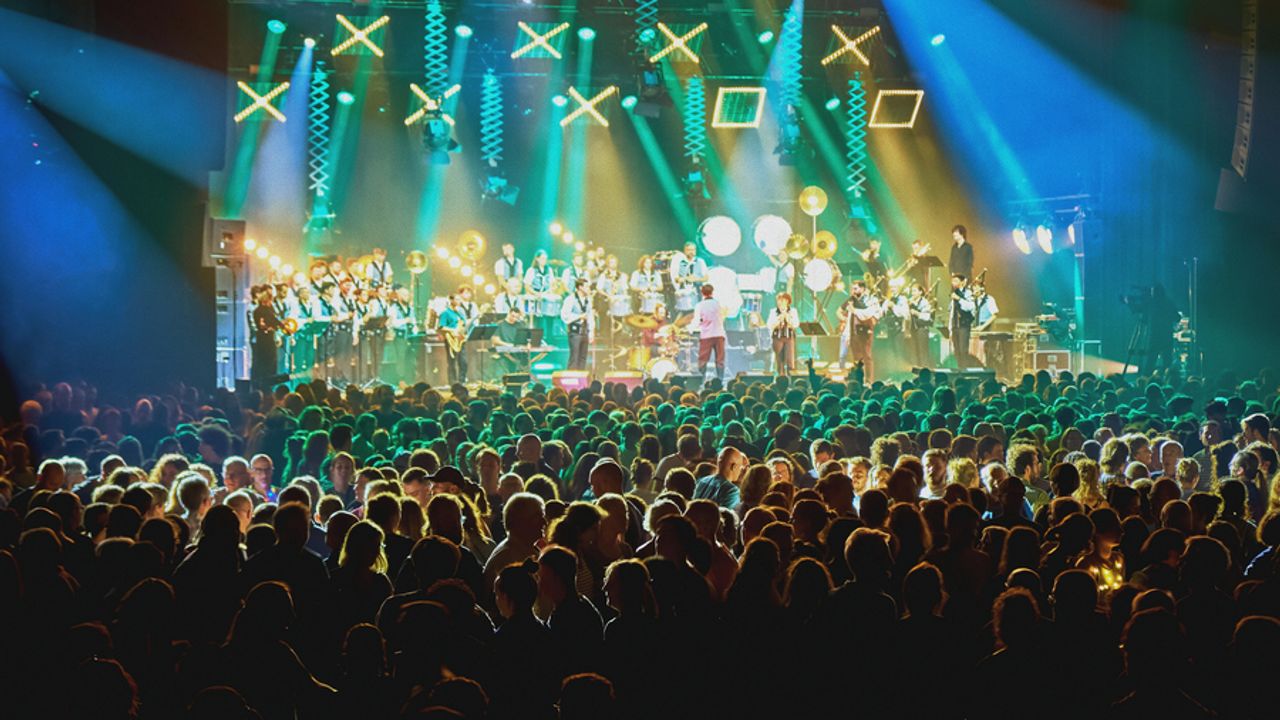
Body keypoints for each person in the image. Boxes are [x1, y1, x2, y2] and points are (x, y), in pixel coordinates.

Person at [839, 280, 880, 380]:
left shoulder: (871, 300)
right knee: (856, 357)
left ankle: (868, 380)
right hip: (853, 332)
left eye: (855, 288)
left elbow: (868, 314)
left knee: (866, 356)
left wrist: (855, 310)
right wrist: (847, 332)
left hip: (865, 332)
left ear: (862, 289)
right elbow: (847, 316)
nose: (853, 291)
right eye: (852, 289)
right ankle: (859, 378)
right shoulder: (851, 300)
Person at [692, 283, 727, 381]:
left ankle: (701, 380)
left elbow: (697, 321)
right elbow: (722, 317)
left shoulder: (700, 305)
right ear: (712, 292)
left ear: (702, 293)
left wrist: (690, 328)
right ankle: (721, 380)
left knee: (703, 359)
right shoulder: (718, 304)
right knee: (720, 359)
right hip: (719, 334)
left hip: (706, 335)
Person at [250, 284, 281, 391]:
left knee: (271, 365)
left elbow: (276, 322)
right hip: (263, 341)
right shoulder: (259, 311)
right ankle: (264, 389)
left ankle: (269, 388)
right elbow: (262, 326)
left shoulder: (270, 310)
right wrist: (273, 327)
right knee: (264, 365)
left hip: (269, 340)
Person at [437, 292, 473, 384]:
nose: (459, 301)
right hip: (451, 340)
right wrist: (452, 330)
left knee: (463, 362)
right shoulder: (445, 313)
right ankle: (452, 382)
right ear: (451, 300)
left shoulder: (460, 312)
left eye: (459, 299)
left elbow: (463, 324)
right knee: (452, 362)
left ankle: (462, 381)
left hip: (460, 339)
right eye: (457, 299)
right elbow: (441, 326)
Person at [561, 278, 594, 371]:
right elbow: (564, 315)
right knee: (574, 357)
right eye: (587, 287)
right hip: (575, 332)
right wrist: (579, 316)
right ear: (580, 287)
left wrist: (591, 332)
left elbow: (590, 316)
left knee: (583, 357)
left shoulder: (588, 300)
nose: (589, 289)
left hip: (585, 331)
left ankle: (581, 380)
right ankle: (571, 380)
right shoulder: (570, 299)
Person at [766, 292, 799, 376]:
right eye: (779, 300)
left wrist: (787, 318)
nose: (780, 302)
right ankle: (780, 378)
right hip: (777, 337)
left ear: (787, 301)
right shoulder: (773, 311)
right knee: (779, 361)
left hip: (789, 337)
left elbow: (796, 324)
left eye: (783, 300)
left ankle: (790, 378)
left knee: (790, 361)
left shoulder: (793, 311)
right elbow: (769, 325)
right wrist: (778, 320)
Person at [949, 273, 977, 370]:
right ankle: (958, 368)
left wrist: (959, 299)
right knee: (956, 350)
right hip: (955, 326)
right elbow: (952, 312)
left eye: (956, 281)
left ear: (962, 282)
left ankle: (964, 369)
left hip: (963, 326)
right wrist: (950, 327)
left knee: (963, 350)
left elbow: (970, 307)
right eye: (952, 281)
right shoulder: (954, 293)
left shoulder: (968, 293)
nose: (953, 283)